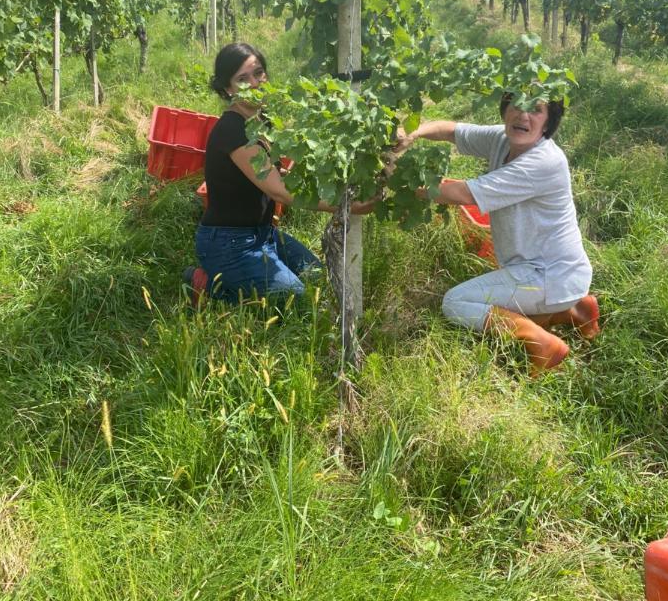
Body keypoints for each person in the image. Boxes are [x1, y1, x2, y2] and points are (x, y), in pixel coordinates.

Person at [393, 93, 600, 376]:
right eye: (517, 106)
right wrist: (414, 133)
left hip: (548, 274)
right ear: (505, 110)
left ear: (548, 122)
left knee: (456, 303)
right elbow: (452, 130)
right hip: (553, 271)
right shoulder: (504, 139)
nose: (522, 116)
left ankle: (542, 344)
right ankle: (576, 310)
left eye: (535, 110)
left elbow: (462, 193)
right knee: (500, 296)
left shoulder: (542, 162)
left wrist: (397, 177)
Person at [183, 42, 372, 306]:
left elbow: (279, 170)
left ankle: (238, 280)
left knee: (317, 276)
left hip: (264, 233)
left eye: (259, 73)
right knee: (297, 300)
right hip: (229, 243)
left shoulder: (263, 119)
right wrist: (346, 205)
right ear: (227, 88)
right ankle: (207, 283)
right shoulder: (232, 130)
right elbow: (278, 190)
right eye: (242, 78)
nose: (255, 82)